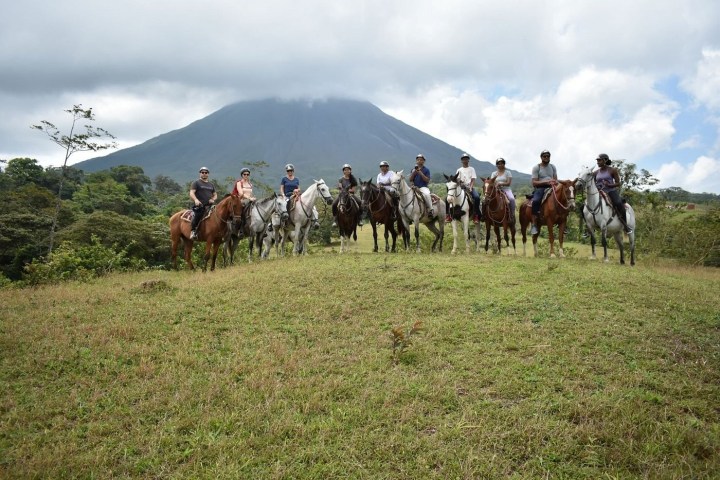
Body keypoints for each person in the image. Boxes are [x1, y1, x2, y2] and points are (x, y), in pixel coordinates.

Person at [270, 163, 320, 231]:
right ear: (286, 171)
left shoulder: (296, 179)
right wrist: (283, 195)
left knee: (308, 205)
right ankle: (279, 221)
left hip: (296, 195)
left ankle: (312, 221)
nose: (289, 172)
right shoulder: (284, 179)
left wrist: (297, 190)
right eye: (288, 171)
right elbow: (281, 188)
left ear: (293, 171)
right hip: (287, 195)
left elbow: (299, 188)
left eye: (290, 170)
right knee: (284, 205)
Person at [594, 153, 632, 233]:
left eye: (599, 160)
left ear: (605, 160)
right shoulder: (596, 172)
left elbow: (618, 183)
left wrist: (609, 185)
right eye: (597, 160)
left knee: (618, 203)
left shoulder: (612, 170)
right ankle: (589, 228)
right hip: (599, 192)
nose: (597, 162)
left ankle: (625, 226)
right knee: (585, 206)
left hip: (611, 191)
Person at [447, 153, 481, 223]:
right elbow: (457, 180)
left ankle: (476, 215)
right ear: (461, 161)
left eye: (466, 159)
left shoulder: (472, 169)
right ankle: (448, 215)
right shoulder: (459, 170)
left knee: (477, 197)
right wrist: (460, 183)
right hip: (461, 187)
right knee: (447, 197)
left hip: (469, 187)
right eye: (463, 159)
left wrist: (471, 187)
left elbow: (473, 179)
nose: (465, 160)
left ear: (468, 160)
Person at [530, 150, 557, 234]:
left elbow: (555, 179)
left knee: (563, 198)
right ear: (541, 157)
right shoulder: (536, 167)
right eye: (544, 156)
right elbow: (534, 182)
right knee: (536, 201)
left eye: (548, 156)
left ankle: (562, 221)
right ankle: (534, 224)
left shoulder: (553, 167)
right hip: (540, 188)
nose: (546, 158)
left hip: (552, 187)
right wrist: (546, 182)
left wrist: (554, 182)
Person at [189, 166, 217, 239]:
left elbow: (215, 194)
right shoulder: (196, 183)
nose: (204, 174)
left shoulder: (211, 184)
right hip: (200, 205)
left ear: (208, 174)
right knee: (198, 215)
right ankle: (193, 231)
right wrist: (196, 200)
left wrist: (213, 199)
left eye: (206, 172)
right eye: (202, 172)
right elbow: (192, 193)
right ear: (200, 173)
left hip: (209, 205)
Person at [490, 157, 516, 224]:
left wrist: (500, 183)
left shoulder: (508, 172)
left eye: (501, 163)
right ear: (496, 165)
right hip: (496, 190)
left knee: (512, 199)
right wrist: (495, 185)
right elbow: (492, 182)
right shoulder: (494, 173)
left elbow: (508, 183)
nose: (500, 165)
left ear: (504, 164)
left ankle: (512, 215)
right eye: (498, 164)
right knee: (487, 199)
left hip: (506, 189)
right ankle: (485, 215)